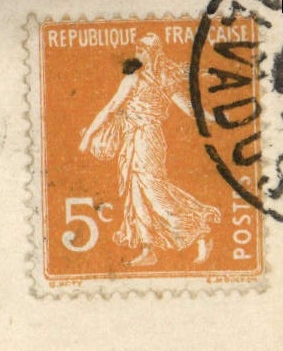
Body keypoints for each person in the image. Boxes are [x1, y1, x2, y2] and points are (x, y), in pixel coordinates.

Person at [79, 34, 220, 266]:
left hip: (149, 139)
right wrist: (87, 136)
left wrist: (214, 118)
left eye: (142, 49)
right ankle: (148, 249)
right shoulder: (132, 79)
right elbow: (110, 109)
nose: (138, 53)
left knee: (155, 192)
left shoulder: (163, 80)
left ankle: (200, 232)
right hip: (132, 139)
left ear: (152, 52)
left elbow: (189, 108)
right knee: (136, 194)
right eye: (137, 48)